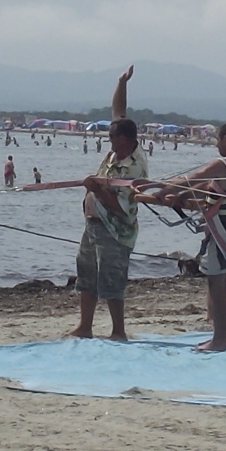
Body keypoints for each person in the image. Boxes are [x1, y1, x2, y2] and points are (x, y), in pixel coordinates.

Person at [148, 122, 226, 351]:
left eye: (217, 139)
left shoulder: (224, 163)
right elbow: (209, 188)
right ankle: (222, 339)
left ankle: (219, 340)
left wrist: (163, 192)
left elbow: (195, 178)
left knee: (218, 287)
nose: (216, 144)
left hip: (222, 234)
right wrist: (181, 197)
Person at [70, 66, 147, 342]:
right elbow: (118, 111)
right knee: (86, 272)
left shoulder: (133, 165)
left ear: (126, 139)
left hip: (115, 229)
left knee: (112, 278)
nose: (110, 139)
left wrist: (96, 188)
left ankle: (118, 331)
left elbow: (119, 206)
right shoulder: (116, 150)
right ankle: (85, 326)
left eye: (114, 136)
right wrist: (121, 82)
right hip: (93, 223)